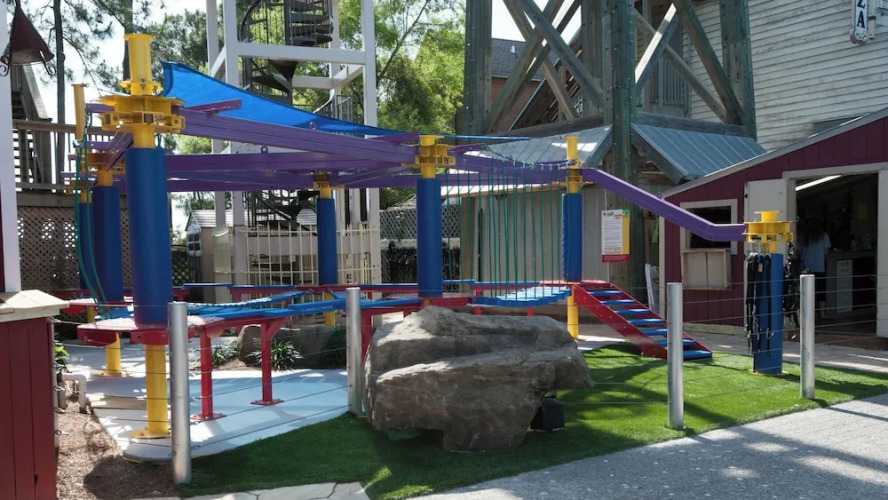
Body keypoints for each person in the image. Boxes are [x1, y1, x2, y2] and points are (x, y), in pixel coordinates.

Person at [797, 217, 831, 317]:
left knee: (807, 292)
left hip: (806, 268)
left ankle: (807, 315)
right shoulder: (824, 236)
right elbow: (826, 252)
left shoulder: (802, 237)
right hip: (820, 267)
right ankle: (822, 313)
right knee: (821, 291)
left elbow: (799, 253)